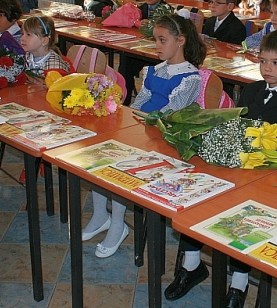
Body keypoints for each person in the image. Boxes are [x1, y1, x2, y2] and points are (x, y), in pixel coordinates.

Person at [166, 30, 277, 308]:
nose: (267, 68)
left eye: (276, 63)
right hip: (238, 165)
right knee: (201, 192)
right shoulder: (252, 90)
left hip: (271, 173)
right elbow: (234, 126)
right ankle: (191, 264)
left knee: (244, 212)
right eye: (263, 61)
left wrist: (261, 158)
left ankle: (239, 282)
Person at [85, 14, 205, 259]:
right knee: (100, 153)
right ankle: (100, 215)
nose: (156, 46)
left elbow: (169, 113)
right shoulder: (155, 70)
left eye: (162, 40)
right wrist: (127, 120)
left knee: (119, 163)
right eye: (155, 40)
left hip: (164, 138)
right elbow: (139, 103)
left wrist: (137, 125)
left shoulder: (190, 77)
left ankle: (118, 225)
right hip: (143, 128)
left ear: (180, 41)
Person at [118, 0, 168, 103]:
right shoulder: (139, 10)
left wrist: (153, 26)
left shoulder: (167, 11)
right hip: (140, 50)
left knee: (157, 73)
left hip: (159, 54)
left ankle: (154, 102)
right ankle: (124, 102)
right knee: (125, 62)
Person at [21, 15, 70, 84]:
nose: (22, 38)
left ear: (44, 40)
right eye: (22, 34)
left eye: (28, 35)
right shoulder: (24, 57)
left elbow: (56, 88)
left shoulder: (55, 67)